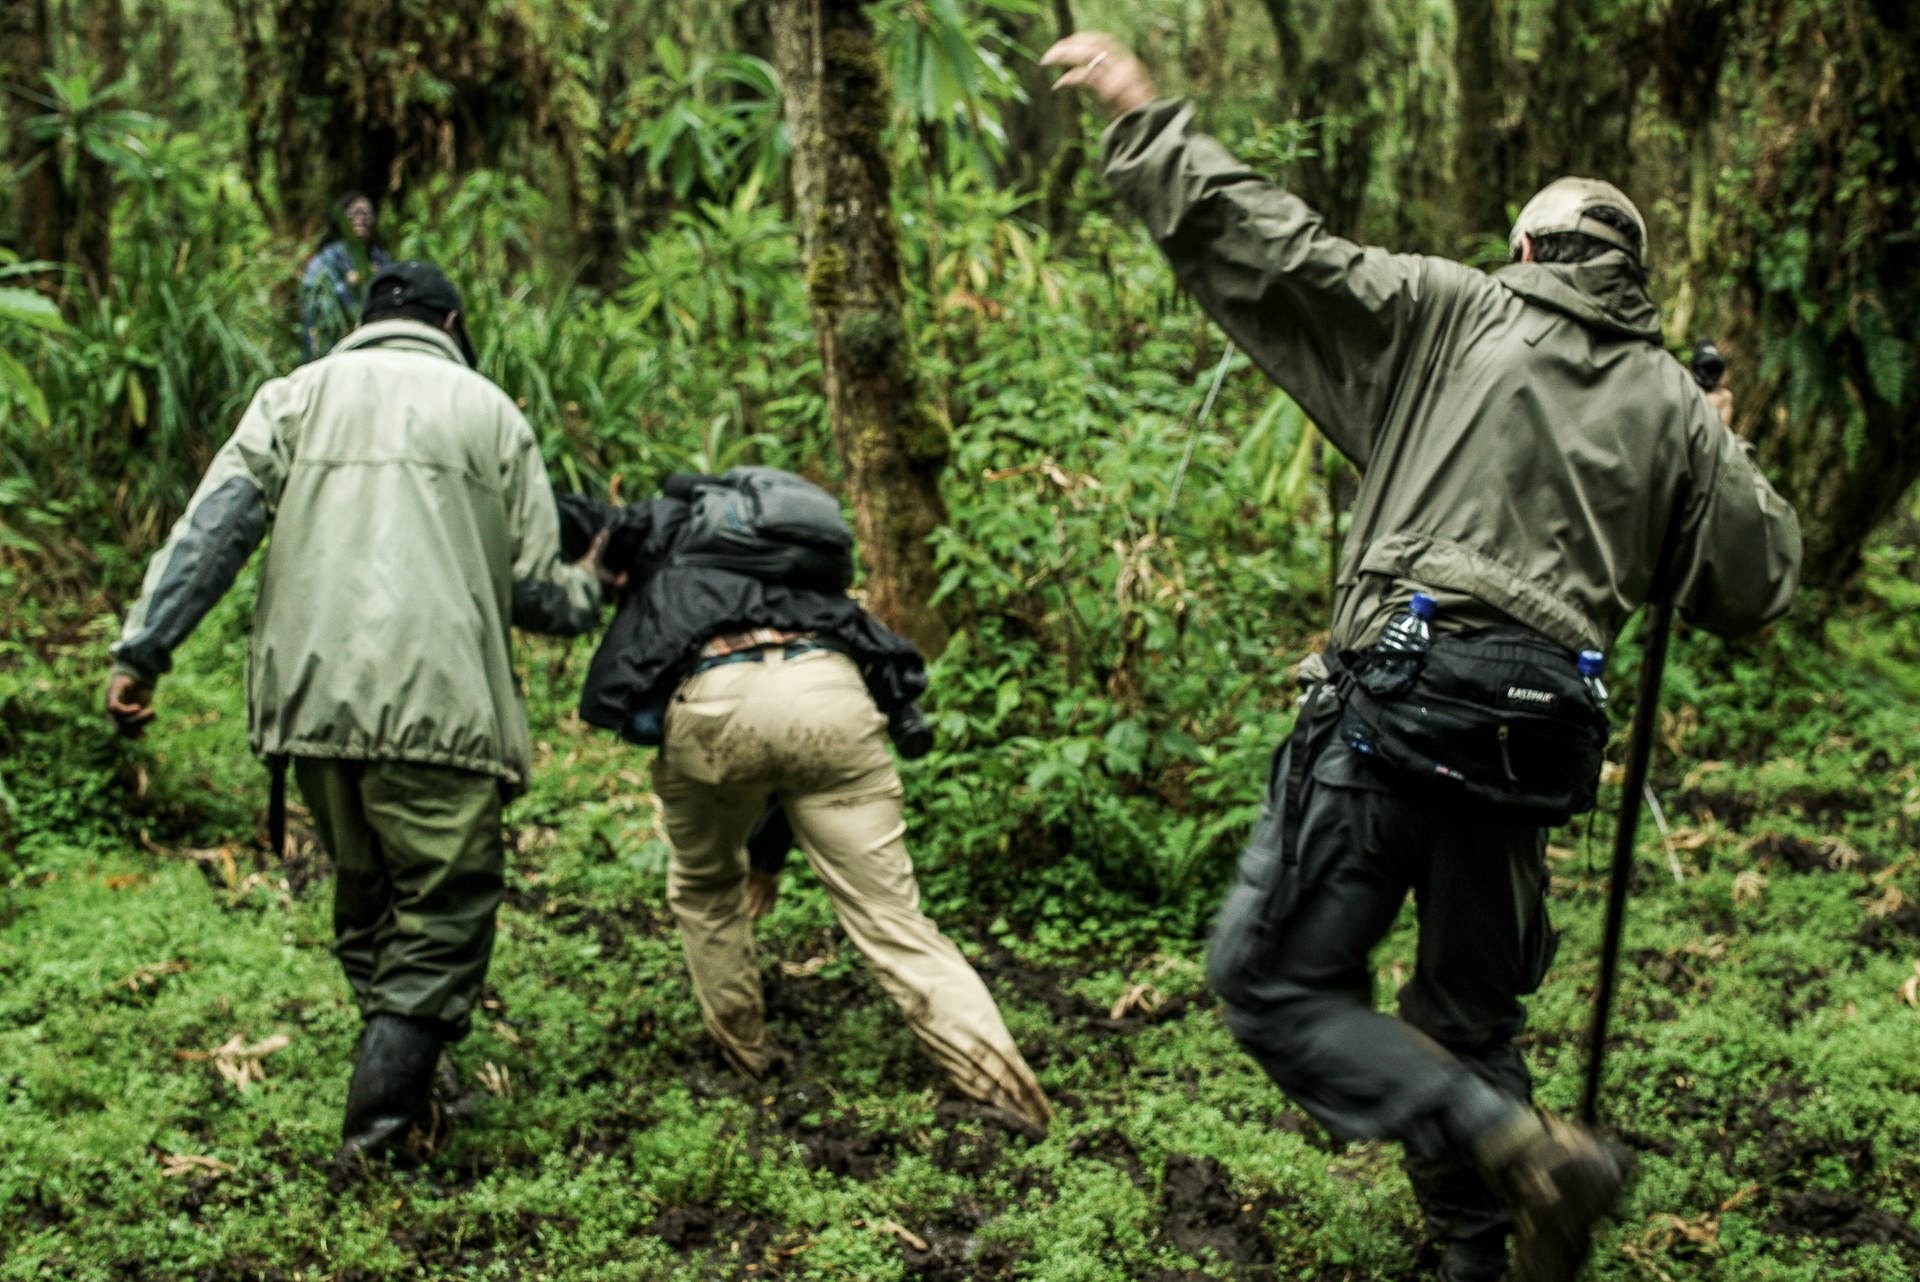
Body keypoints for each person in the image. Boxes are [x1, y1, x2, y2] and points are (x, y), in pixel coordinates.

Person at [1043, 34, 1801, 1282]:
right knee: (1469, 1016)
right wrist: (1722, 443)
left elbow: (1277, 251)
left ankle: (1510, 1141)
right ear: (1631, 277)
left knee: (1275, 985)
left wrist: (1144, 116)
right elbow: (1759, 575)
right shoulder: (1673, 403)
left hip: (1395, 700)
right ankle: (1485, 1254)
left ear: (1527, 253)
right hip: (1533, 738)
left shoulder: (1455, 309)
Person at [107, 261, 612, 1166]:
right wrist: (594, 584)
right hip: (442, 707)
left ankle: (414, 1085)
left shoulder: (294, 397)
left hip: (313, 706)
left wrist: (143, 651)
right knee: (446, 910)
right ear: (452, 325)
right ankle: (378, 1140)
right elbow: (537, 592)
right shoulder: (491, 411)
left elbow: (213, 531)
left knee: (369, 900)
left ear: (363, 321)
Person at [565, 473, 1053, 1135]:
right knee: (895, 922)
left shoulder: (659, 534)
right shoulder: (802, 574)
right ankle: (1012, 1099)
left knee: (707, 886)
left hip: (714, 695)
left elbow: (573, 520)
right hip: (831, 690)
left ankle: (747, 1060)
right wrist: (768, 859)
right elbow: (789, 747)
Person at [299, 192, 392, 362]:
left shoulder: (381, 258)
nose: (361, 219)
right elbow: (314, 302)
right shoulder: (325, 260)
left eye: (366, 213)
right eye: (354, 213)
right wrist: (349, 285)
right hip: (336, 345)